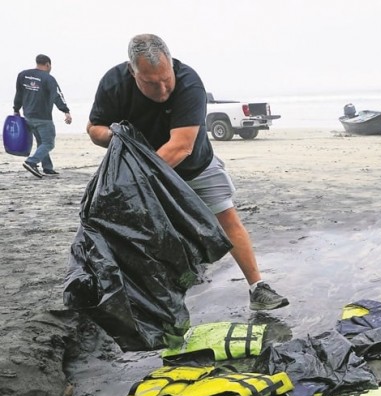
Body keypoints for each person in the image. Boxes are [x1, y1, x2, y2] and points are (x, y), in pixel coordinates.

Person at [86, 34, 288, 312]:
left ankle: (258, 288)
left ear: (171, 65)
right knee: (152, 237)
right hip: (143, 173)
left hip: (194, 166)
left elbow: (181, 146)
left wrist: (139, 183)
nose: (163, 89)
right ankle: (159, 304)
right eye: (151, 82)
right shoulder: (113, 83)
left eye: (166, 78)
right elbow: (94, 129)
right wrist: (115, 135)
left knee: (228, 220)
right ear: (132, 72)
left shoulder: (189, 82)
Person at [13, 54, 72, 178]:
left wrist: (16, 109)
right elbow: (57, 95)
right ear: (47, 64)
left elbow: (19, 93)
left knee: (41, 142)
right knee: (49, 143)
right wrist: (65, 111)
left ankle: (47, 168)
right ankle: (31, 162)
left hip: (28, 115)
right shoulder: (48, 78)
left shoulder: (23, 75)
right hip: (43, 118)